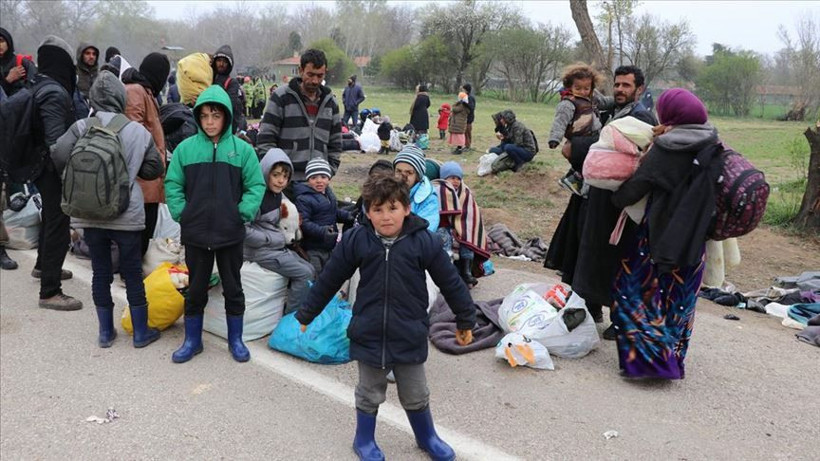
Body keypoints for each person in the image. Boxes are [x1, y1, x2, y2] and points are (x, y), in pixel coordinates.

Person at [295, 174, 476, 461]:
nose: (386, 216)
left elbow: (450, 281)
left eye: (393, 208)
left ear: (407, 208)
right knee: (369, 392)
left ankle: (427, 436)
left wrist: (465, 319)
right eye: (377, 209)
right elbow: (330, 278)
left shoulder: (424, 241)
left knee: (416, 392)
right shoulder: (357, 240)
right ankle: (363, 439)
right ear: (367, 212)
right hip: (369, 330)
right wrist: (307, 313)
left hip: (409, 330)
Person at [51, 71, 164, 349]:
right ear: (121, 98)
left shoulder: (81, 126)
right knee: (132, 272)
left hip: (90, 212)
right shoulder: (138, 131)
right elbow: (154, 169)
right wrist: (131, 167)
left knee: (100, 272)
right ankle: (140, 333)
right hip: (127, 214)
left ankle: (105, 332)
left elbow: (59, 155)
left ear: (94, 98)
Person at [610, 88, 718, 379]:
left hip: (659, 235)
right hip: (695, 237)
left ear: (670, 115)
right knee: (680, 298)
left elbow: (636, 187)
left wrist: (615, 198)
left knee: (635, 291)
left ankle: (648, 364)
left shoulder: (668, 147)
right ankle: (673, 361)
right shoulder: (712, 141)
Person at [545, 65, 657, 333]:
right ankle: (590, 308)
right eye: (617, 84)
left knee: (617, 261)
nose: (620, 89)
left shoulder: (641, 118)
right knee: (588, 254)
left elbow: (614, 152)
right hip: (593, 195)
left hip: (619, 204)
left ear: (639, 89)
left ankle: (621, 321)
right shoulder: (609, 110)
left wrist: (575, 148)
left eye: (626, 85)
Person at [164, 84, 265, 363]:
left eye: (216, 116)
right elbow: (172, 183)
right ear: (198, 116)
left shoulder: (242, 151)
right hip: (196, 234)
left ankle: (236, 340)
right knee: (195, 289)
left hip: (230, 234)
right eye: (205, 115)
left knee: (233, 287)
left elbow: (255, 185)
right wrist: (183, 213)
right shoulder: (185, 150)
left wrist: (242, 212)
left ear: (226, 117)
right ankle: (192, 340)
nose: (210, 122)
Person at [29, 36, 82, 311]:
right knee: (58, 224)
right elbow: (55, 144)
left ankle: (43, 266)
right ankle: (50, 291)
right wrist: (67, 174)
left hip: (40, 166)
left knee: (50, 219)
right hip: (51, 169)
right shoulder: (54, 93)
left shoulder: (39, 84)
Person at [244, 148, 316, 314]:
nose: (281, 181)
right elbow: (241, 229)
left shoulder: (277, 195)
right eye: (275, 175)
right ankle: (292, 318)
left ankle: (295, 309)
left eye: (285, 176)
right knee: (304, 274)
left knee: (310, 267)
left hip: (273, 247)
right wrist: (268, 239)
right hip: (257, 250)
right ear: (265, 172)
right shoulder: (256, 197)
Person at [256, 49, 342, 182]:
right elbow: (266, 138)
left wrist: (328, 171)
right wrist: (277, 173)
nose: (315, 81)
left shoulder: (331, 103)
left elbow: (336, 143)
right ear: (300, 70)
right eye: (310, 75)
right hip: (286, 182)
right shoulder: (281, 97)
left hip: (317, 183)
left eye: (320, 76)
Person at [122, 53, 171, 256]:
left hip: (149, 176)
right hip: (142, 176)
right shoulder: (136, 91)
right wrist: (153, 158)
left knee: (145, 231)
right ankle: (130, 269)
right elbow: (134, 131)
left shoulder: (146, 92)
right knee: (139, 233)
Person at [548, 63, 603, 196]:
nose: (583, 92)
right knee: (583, 160)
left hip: (593, 135)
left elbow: (605, 102)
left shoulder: (592, 98)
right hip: (580, 137)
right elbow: (559, 122)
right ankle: (578, 178)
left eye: (586, 88)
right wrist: (555, 139)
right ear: (570, 87)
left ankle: (575, 177)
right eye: (578, 88)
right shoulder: (568, 104)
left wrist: (616, 102)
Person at [434, 161, 490, 289]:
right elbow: (437, 214)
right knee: (444, 240)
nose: (456, 181)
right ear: (444, 178)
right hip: (443, 227)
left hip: (461, 228)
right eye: (452, 178)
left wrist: (461, 229)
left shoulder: (465, 192)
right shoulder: (439, 190)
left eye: (458, 178)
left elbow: (470, 215)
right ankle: (448, 275)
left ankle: (466, 272)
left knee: (468, 240)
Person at [294, 158, 353, 276]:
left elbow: (332, 212)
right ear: (308, 180)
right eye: (314, 178)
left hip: (330, 245)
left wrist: (348, 216)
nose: (319, 181)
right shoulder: (304, 198)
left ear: (329, 179)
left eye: (323, 177)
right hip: (313, 248)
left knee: (329, 275)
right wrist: (322, 231)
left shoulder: (329, 194)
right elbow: (304, 223)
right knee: (315, 275)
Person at [393, 146, 438, 232]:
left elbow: (427, 230)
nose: (402, 177)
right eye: (398, 171)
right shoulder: (386, 191)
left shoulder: (428, 199)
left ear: (418, 176)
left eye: (409, 172)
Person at [211, 44, 247, 134]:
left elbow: (228, 105)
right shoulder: (209, 79)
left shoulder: (232, 83)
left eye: (225, 62)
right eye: (219, 60)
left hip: (225, 127)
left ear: (229, 64)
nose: (221, 64)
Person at [1, 27, 37, 97]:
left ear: (8, 42)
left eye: (1, 41)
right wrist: (7, 80)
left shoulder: (22, 62)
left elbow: (35, 87)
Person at [461, 83, 476, 150]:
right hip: (465, 117)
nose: (462, 91)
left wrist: (465, 103)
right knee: (465, 132)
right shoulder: (465, 97)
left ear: (466, 90)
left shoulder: (470, 98)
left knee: (467, 132)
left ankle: (468, 145)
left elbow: (472, 107)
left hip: (469, 118)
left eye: (463, 89)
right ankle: (466, 145)